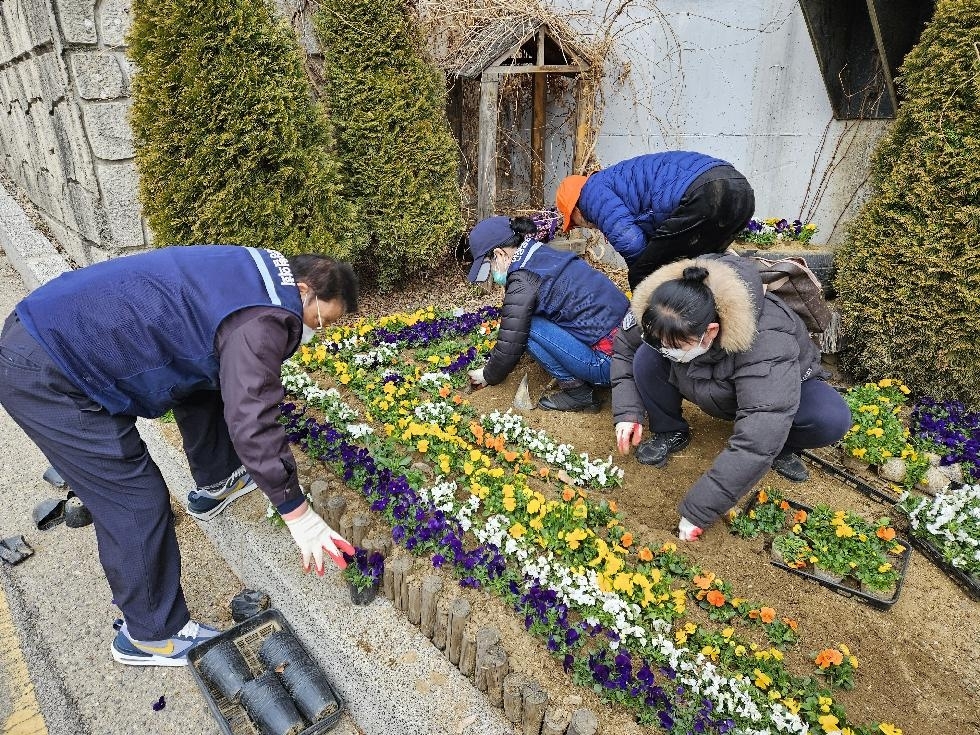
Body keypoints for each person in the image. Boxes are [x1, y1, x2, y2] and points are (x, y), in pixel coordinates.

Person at [0, 245, 358, 666]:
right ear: (304, 291)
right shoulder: (263, 320)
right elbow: (253, 422)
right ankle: (152, 634)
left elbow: (205, 359)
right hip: (51, 369)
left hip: (54, 326)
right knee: (134, 498)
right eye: (321, 319)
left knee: (203, 378)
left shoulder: (258, 270)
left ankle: (217, 481)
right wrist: (298, 514)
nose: (317, 330)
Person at [610, 253, 851, 540]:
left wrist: (699, 512)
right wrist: (627, 413)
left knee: (829, 418)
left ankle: (784, 446)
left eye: (676, 344)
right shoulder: (662, 306)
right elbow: (624, 347)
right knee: (645, 358)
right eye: (658, 339)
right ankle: (670, 430)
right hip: (707, 379)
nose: (666, 348)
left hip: (770, 390)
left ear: (710, 330)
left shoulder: (767, 337)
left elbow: (760, 431)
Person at [465, 216, 629, 412]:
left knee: (528, 326)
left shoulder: (523, 279)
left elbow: (512, 339)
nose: (492, 273)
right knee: (528, 320)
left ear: (499, 254)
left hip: (610, 363)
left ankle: (578, 394)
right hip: (631, 342)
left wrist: (488, 374)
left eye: (489, 266)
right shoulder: (539, 253)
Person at [555, 151, 755, 290]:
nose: (583, 226)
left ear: (575, 208)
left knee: (641, 272)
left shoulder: (591, 193)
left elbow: (631, 243)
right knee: (701, 267)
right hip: (740, 190)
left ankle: (646, 335)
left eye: (574, 222)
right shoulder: (616, 179)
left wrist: (646, 277)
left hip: (706, 192)